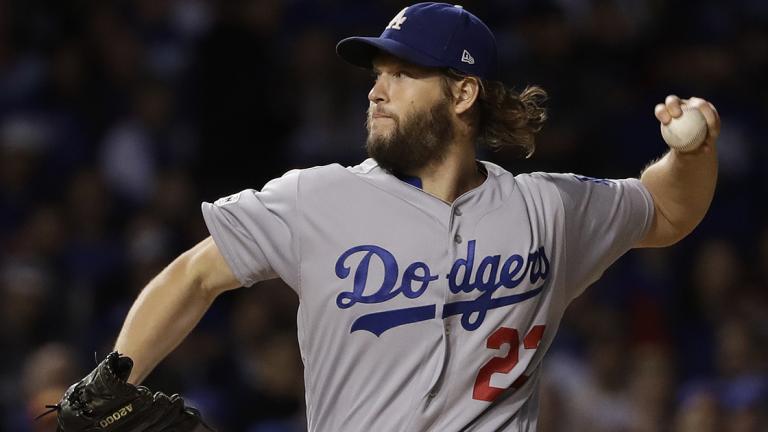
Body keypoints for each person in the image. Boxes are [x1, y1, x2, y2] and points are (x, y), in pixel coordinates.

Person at [85, 2, 720, 431]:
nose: (375, 88)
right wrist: (114, 378)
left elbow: (668, 209)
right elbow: (194, 274)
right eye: (377, 72)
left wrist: (691, 150)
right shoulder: (316, 198)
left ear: (463, 92)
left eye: (402, 72)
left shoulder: (548, 207)